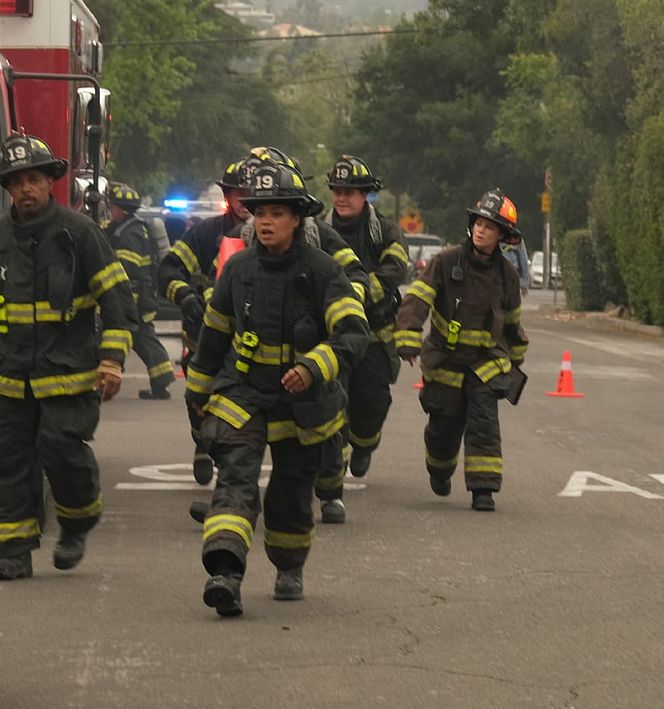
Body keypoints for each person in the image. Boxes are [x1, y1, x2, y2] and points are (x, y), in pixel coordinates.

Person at [185, 161, 370, 615]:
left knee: (290, 495)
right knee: (235, 480)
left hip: (302, 404)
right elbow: (213, 338)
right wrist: (198, 396)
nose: (265, 222)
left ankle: (288, 565)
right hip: (244, 393)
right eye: (260, 212)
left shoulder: (323, 271)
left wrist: (312, 366)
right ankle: (225, 574)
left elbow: (352, 332)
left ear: (297, 219)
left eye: (277, 213)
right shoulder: (237, 269)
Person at [0, 133, 138, 580]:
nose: (26, 189)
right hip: (10, 377)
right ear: (8, 189)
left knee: (61, 449)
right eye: (17, 182)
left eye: (33, 179)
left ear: (49, 182)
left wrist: (112, 361)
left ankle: (77, 520)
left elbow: (117, 299)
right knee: (10, 460)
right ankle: (13, 551)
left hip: (68, 376)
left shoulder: (79, 234)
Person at [394, 188, 529, 511]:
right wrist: (408, 336)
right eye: (479, 223)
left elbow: (512, 324)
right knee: (443, 429)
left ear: (502, 235)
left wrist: (515, 360)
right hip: (446, 362)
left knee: (484, 425)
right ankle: (439, 468)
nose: (481, 230)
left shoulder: (507, 276)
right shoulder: (446, 262)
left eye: (490, 226)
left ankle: (483, 490)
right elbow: (418, 298)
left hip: (485, 365)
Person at [157, 156, 252, 485]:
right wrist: (185, 296)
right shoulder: (205, 233)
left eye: (251, 193)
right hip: (204, 334)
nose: (245, 200)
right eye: (238, 193)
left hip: (249, 338)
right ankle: (202, 441)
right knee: (200, 396)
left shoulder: (270, 233)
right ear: (227, 196)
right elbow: (168, 270)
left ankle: (229, 465)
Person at [324, 154, 409, 480]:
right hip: (332, 335)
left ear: (365, 194)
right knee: (333, 400)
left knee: (372, 403)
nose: (341, 198)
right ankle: (335, 466)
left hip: (374, 337)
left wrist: (354, 295)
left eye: (349, 192)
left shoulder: (385, 230)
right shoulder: (318, 229)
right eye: (337, 191)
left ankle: (363, 445)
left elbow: (395, 269)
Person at [106, 182, 176, 399]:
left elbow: (126, 268)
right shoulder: (128, 228)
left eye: (113, 207)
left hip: (134, 297)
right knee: (143, 338)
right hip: (138, 296)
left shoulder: (131, 233)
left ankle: (106, 377)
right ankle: (161, 380)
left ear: (123, 210)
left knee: (133, 336)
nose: (110, 211)